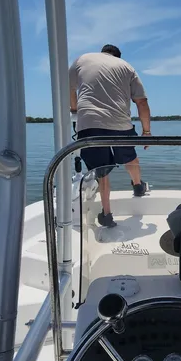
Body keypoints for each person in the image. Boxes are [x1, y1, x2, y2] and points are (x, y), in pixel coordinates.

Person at [69, 44, 152, 228]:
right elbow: (142, 102)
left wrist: (75, 109)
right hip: (120, 124)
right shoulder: (126, 66)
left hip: (89, 123)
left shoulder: (82, 60)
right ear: (117, 56)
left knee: (101, 170)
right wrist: (146, 132)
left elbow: (69, 88)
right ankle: (138, 186)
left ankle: (107, 214)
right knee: (130, 157)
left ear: (103, 53)